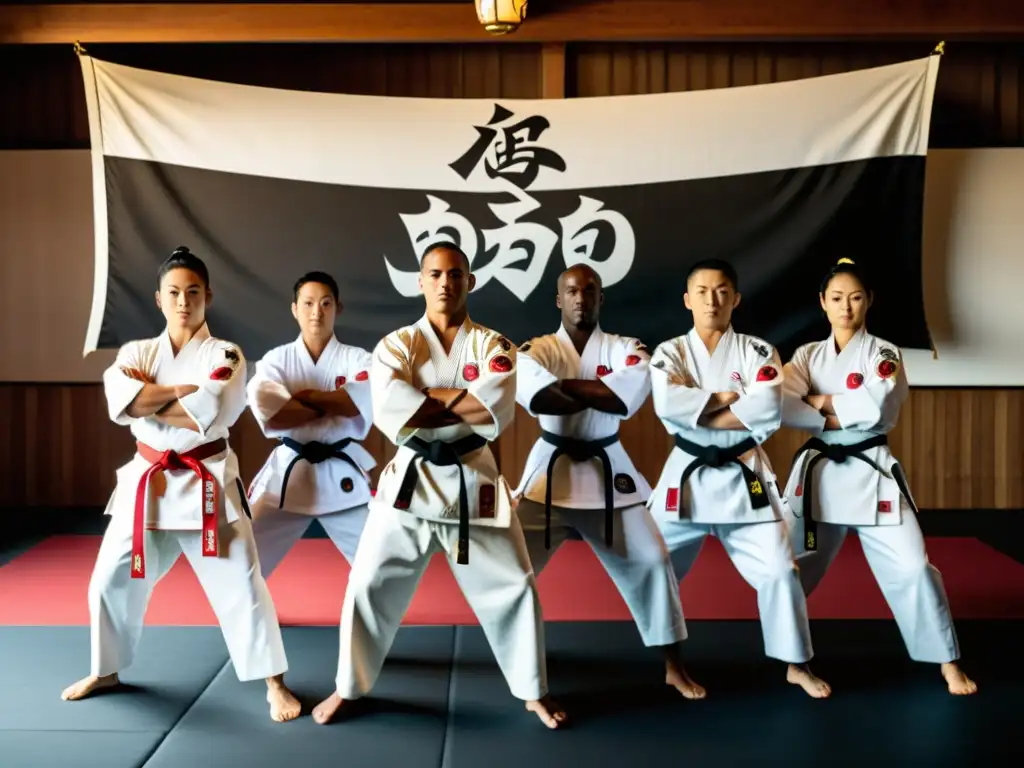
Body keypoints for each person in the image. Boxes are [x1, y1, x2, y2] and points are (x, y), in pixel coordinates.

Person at [311, 243, 566, 728]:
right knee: (366, 584)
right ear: (421, 281)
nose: (445, 283)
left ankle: (533, 690)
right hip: (409, 482)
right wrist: (457, 401)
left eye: (455, 274)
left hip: (474, 482)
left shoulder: (495, 347)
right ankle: (349, 686)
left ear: (469, 281)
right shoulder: (397, 344)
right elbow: (391, 407)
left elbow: (493, 408)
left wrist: (423, 399)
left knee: (515, 586)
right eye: (435, 274)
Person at [60, 246, 301, 722]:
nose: (183, 301)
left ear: (208, 296)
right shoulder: (136, 352)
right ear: (158, 299)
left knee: (243, 585)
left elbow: (207, 415)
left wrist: (145, 400)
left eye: (193, 292)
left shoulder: (226, 354)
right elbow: (121, 401)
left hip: (205, 484)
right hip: (147, 486)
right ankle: (106, 669)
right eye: (174, 293)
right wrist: (175, 393)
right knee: (109, 579)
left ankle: (274, 682)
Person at [780, 258, 976, 696]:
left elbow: (875, 406)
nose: (845, 306)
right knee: (792, 569)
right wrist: (834, 406)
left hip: (872, 476)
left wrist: (816, 405)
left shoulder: (884, 353)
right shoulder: (807, 355)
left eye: (854, 297)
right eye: (836, 298)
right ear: (822, 304)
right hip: (819, 483)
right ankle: (795, 662)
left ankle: (947, 661)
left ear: (868, 301)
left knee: (913, 566)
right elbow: (783, 405)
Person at [513, 264, 703, 700]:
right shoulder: (536, 350)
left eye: (590, 290)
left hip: (609, 472)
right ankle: (521, 658)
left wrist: (566, 387)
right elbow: (538, 396)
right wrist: (596, 387)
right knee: (510, 569)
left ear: (601, 299)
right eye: (572, 291)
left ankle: (674, 664)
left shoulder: (626, 348)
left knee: (655, 560)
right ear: (559, 300)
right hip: (548, 474)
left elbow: (624, 398)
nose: (581, 297)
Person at [646, 258, 831, 698]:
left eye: (722, 291)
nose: (713, 300)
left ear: (736, 299)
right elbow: (667, 406)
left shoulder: (759, 352)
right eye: (703, 291)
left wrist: (704, 405)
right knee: (654, 567)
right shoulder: (669, 352)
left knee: (782, 571)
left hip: (744, 475)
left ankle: (795, 663)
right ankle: (672, 664)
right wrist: (730, 399)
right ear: (688, 300)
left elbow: (766, 410)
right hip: (685, 480)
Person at [246, 271, 375, 576]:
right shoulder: (275, 361)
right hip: (289, 472)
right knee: (245, 562)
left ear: (337, 308)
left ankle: (366, 621)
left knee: (377, 566)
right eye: (308, 303)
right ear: (295, 309)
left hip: (343, 473)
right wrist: (334, 402)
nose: (317, 312)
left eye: (326, 303)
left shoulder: (359, 360)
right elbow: (271, 409)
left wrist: (303, 398)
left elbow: (362, 400)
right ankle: (255, 623)